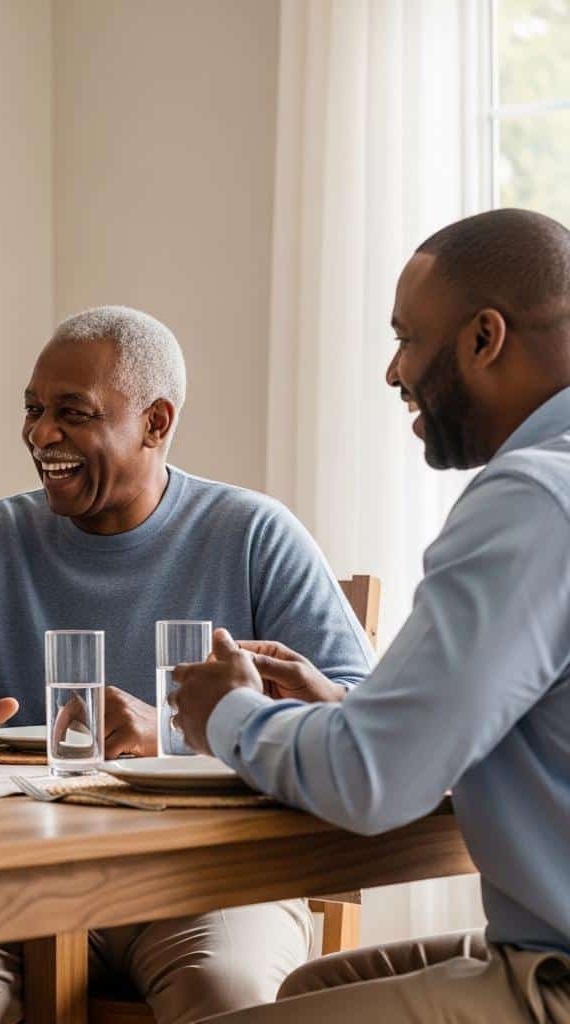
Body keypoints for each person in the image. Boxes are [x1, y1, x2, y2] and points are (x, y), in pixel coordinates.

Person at [0, 305, 373, 1024]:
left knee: (225, 997)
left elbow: (359, 708)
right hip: (27, 882)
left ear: (156, 422)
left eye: (72, 413)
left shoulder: (253, 533)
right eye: (32, 410)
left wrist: (180, 734)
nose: (39, 435)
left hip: (212, 882)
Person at [170, 209, 570, 1022]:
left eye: (407, 339)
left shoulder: (531, 498)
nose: (394, 373)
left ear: (484, 338)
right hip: (539, 937)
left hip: (553, 976)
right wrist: (360, 717)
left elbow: (371, 782)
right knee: (311, 988)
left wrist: (227, 714)